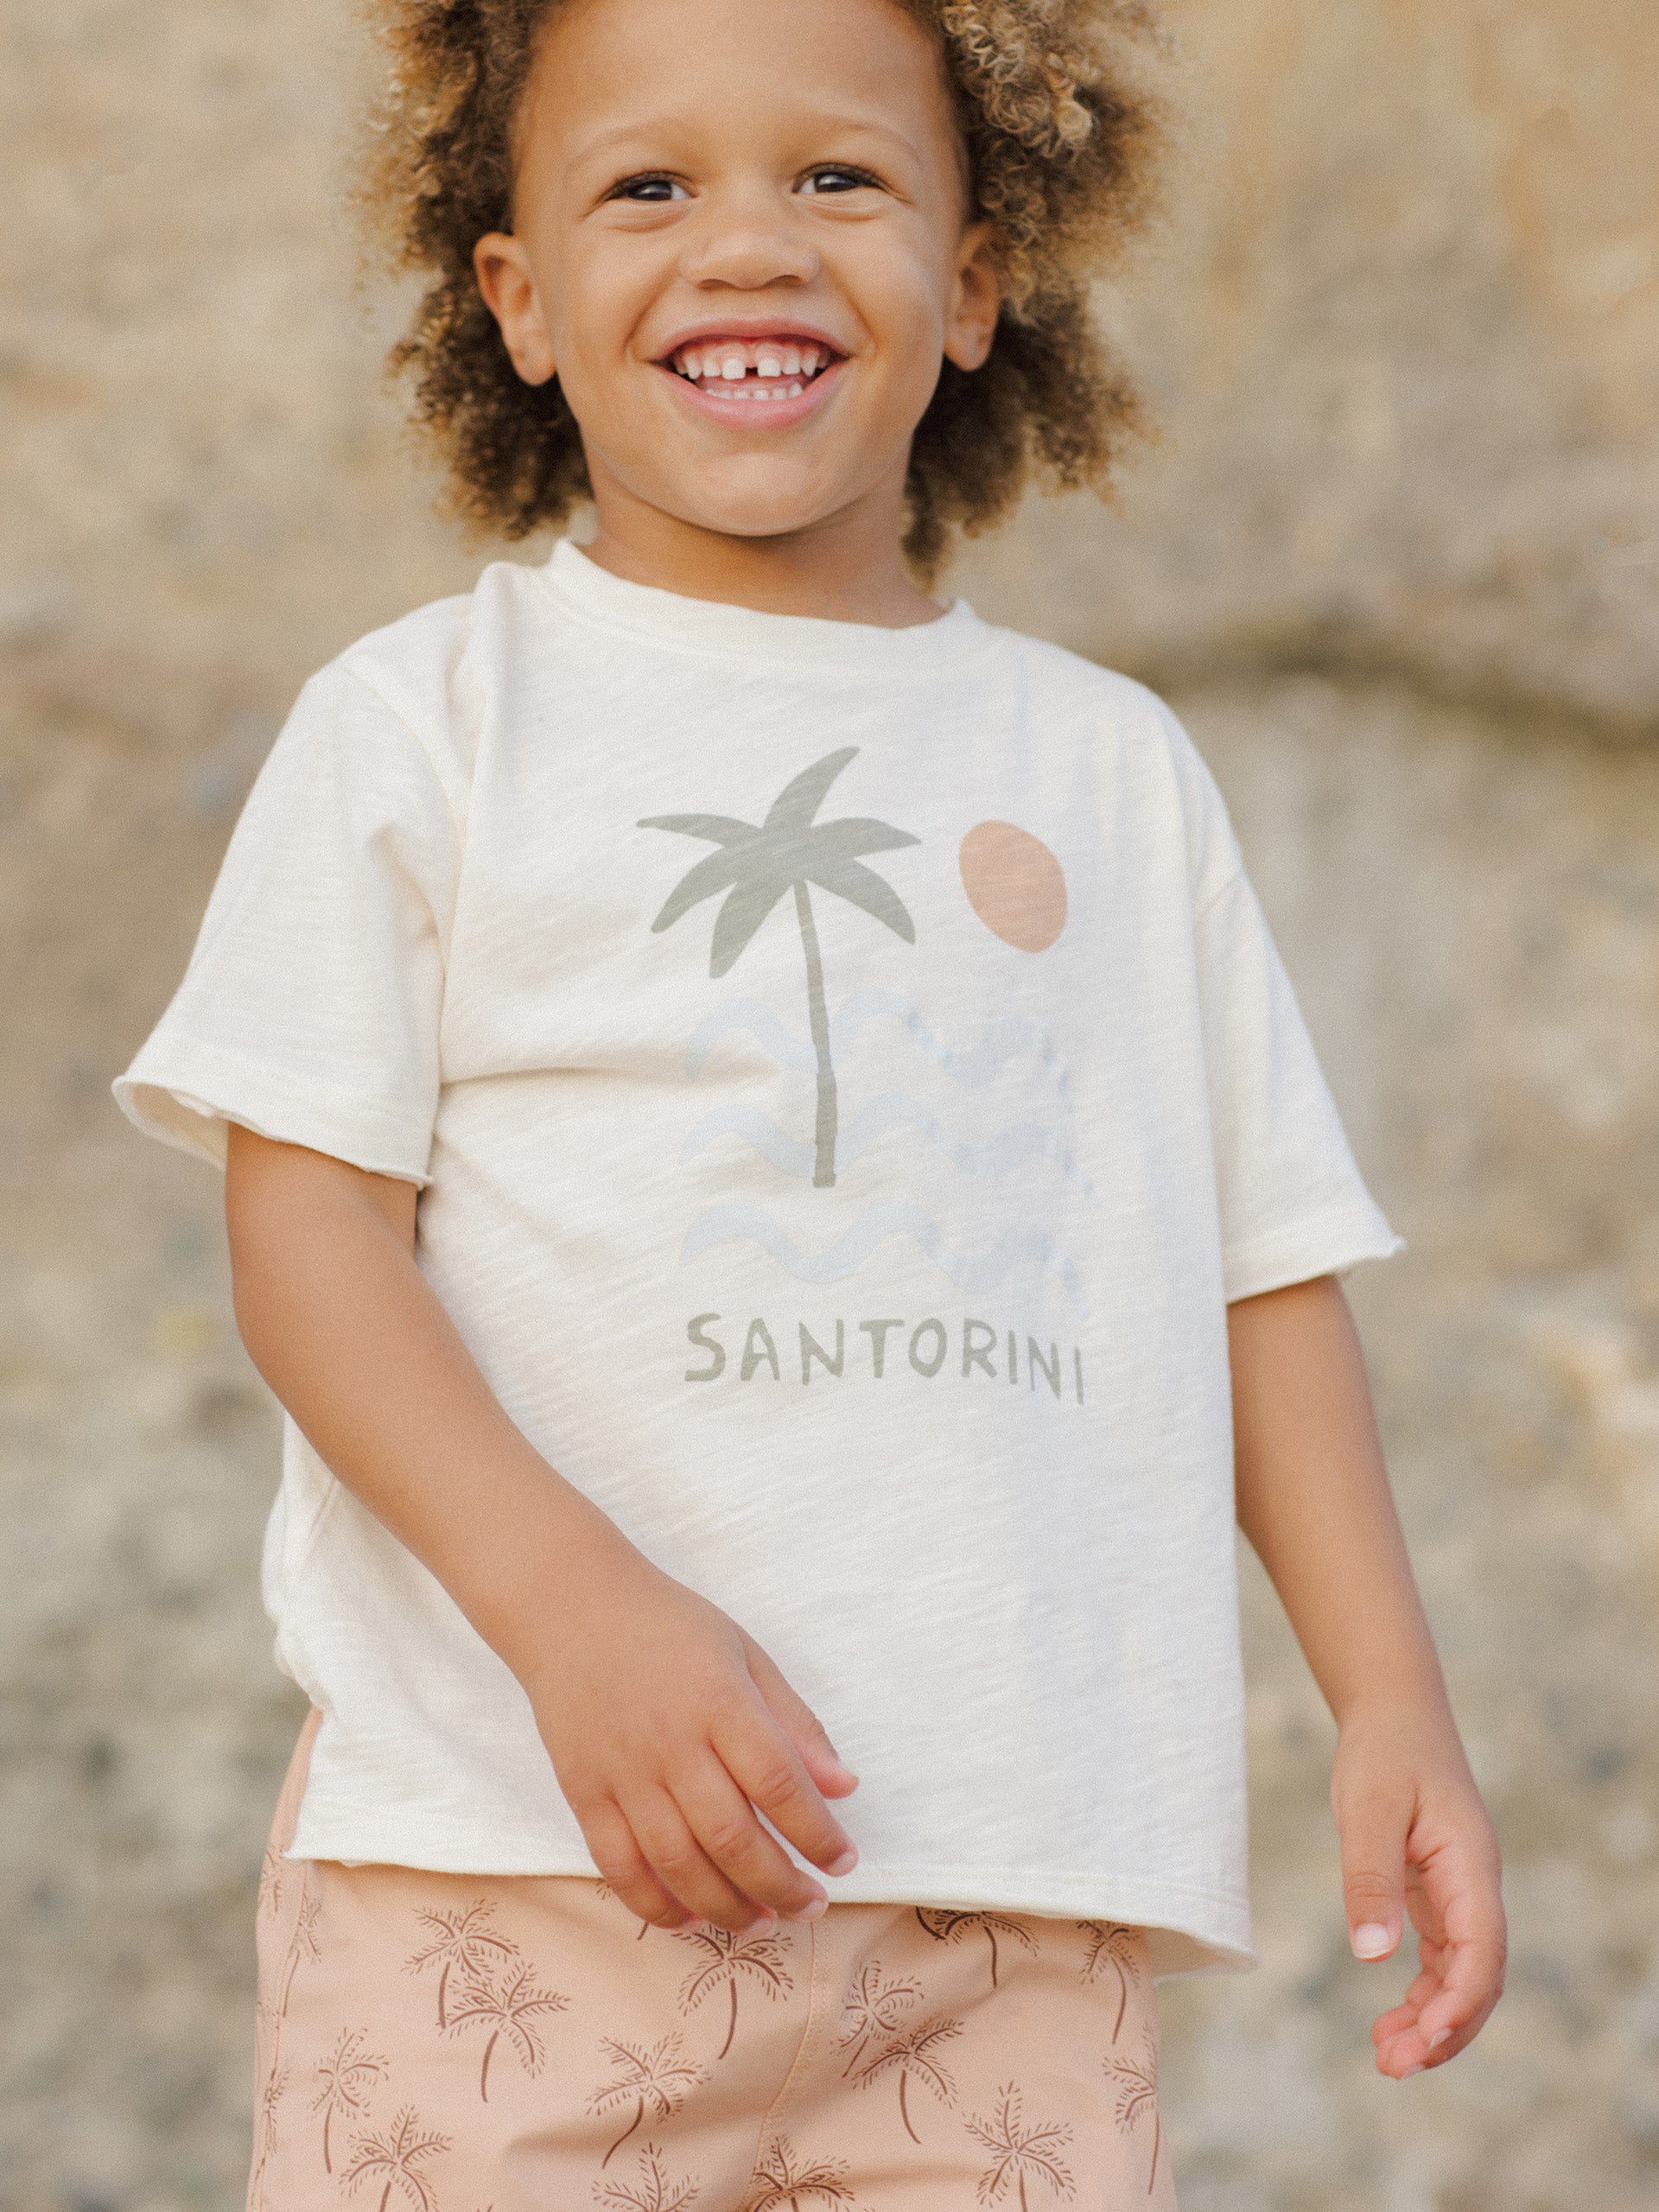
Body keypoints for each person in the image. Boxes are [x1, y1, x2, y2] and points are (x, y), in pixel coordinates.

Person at [114, 0, 1506, 2203]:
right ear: (521, 300)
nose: (746, 243)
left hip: (1006, 1914)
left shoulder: (1110, 772)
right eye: (647, 186)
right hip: (510, 1869)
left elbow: (1250, 1271)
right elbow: (304, 1242)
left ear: (973, 282)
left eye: (838, 178)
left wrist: (1390, 1692)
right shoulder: (426, 728)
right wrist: (570, 1606)